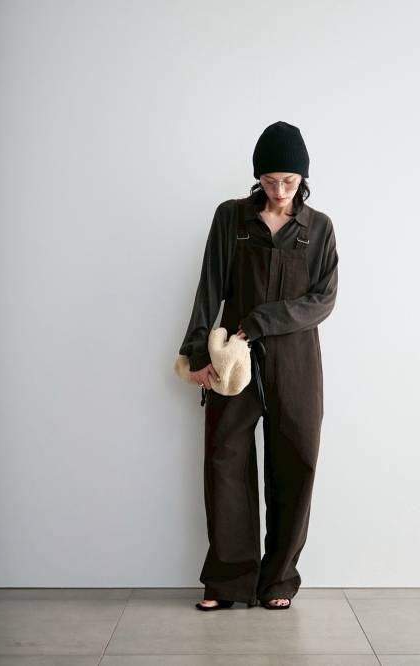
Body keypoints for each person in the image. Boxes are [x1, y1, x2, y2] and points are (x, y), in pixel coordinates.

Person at [178, 121, 339, 610]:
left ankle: (278, 581)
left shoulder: (319, 228)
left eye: (289, 181)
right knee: (225, 460)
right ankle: (228, 583)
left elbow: (323, 300)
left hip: (296, 362)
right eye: (270, 180)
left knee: (296, 462)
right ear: (257, 178)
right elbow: (210, 286)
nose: (280, 190)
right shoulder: (232, 218)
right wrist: (198, 352)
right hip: (234, 360)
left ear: (303, 178)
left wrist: (261, 321)